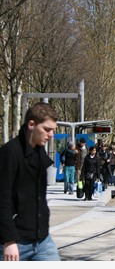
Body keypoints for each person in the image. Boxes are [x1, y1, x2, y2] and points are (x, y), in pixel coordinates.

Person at [0, 102, 61, 261]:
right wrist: (9, 240)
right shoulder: (10, 152)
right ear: (31, 125)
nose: (51, 135)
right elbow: (2, 198)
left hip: (42, 240)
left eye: (53, 130)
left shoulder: (39, 153)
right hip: (15, 242)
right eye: (47, 129)